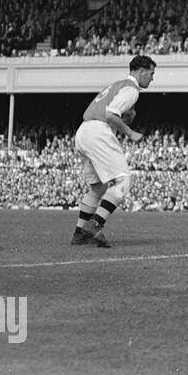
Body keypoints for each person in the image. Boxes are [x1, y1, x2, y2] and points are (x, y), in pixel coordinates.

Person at [71, 55, 155, 247]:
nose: (152, 79)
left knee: (98, 188)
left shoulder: (117, 84)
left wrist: (126, 120)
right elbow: (110, 114)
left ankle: (79, 234)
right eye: (151, 74)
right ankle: (94, 225)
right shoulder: (131, 89)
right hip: (98, 131)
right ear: (141, 72)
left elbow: (109, 112)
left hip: (83, 131)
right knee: (124, 182)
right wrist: (130, 132)